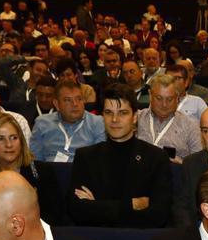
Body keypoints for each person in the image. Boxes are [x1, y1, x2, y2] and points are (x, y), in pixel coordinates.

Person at [68, 85, 171, 228]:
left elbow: (158, 216)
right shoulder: (85, 157)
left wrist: (98, 207)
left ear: (134, 117)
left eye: (122, 113)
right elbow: (79, 212)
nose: (114, 119)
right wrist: (132, 205)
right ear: (102, 116)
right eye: (108, 112)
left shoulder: (156, 158)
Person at [0, 112, 65, 226]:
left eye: (14, 138)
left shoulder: (42, 172)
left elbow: (54, 217)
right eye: (0, 139)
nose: (9, 145)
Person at [29, 78, 105, 163]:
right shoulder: (42, 123)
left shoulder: (97, 123)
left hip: (83, 173)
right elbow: (35, 162)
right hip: (50, 173)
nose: (75, 104)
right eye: (68, 100)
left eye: (79, 99)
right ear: (57, 104)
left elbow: (100, 161)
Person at [136, 74, 202, 163]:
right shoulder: (136, 119)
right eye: (159, 98)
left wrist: (181, 163)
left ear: (177, 98)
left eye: (169, 99)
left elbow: (198, 164)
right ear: (150, 95)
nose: (164, 104)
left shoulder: (191, 126)